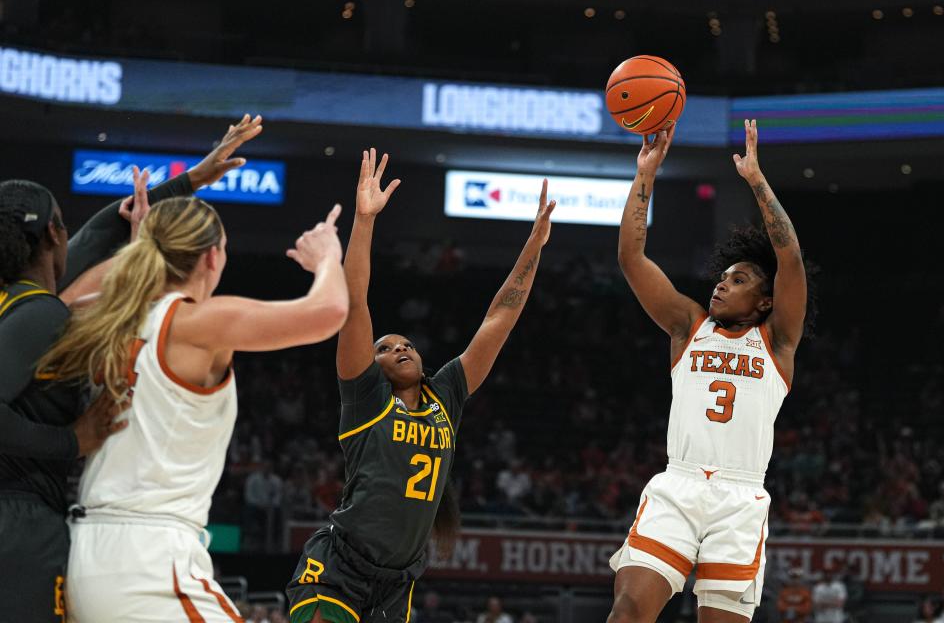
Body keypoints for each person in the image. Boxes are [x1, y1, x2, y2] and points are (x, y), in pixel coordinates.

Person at [37, 189, 348, 621]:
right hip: (150, 558)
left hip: (87, 549)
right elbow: (329, 310)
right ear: (212, 258)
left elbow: (47, 313)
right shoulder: (196, 323)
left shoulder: (107, 316)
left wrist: (135, 249)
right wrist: (328, 256)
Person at [0, 114, 262, 622]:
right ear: (53, 234)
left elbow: (100, 233)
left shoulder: (28, 299)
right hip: (19, 521)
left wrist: (193, 178)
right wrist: (71, 441)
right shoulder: (40, 311)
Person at [286, 149, 555, 623]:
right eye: (386, 348)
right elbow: (355, 302)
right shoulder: (365, 397)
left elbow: (499, 317)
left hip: (399, 579)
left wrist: (533, 246)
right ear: (372, 365)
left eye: (406, 344)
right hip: (338, 567)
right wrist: (365, 221)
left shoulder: (446, 394)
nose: (401, 349)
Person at [607, 120, 816, 623]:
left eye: (738, 279)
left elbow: (789, 256)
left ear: (764, 300)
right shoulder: (688, 327)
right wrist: (646, 177)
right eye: (721, 277)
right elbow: (631, 258)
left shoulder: (777, 341)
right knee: (629, 610)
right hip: (676, 487)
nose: (721, 286)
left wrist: (756, 181)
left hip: (740, 497)